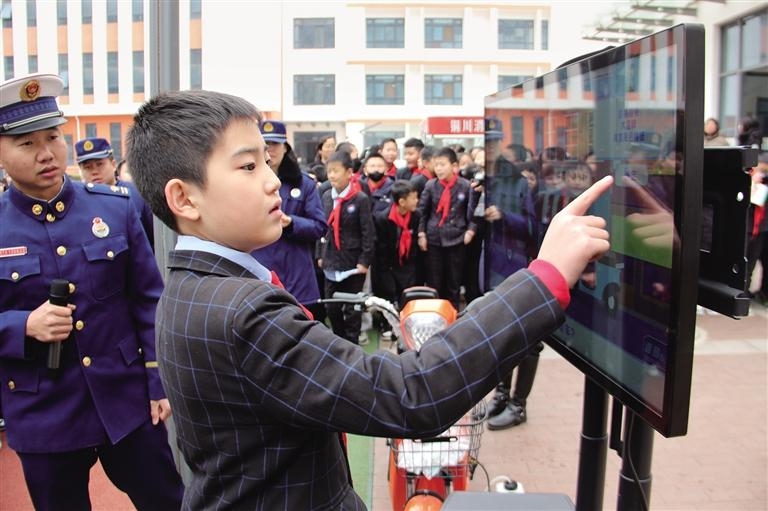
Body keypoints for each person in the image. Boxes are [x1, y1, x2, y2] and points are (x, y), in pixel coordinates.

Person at [125, 88, 612, 510]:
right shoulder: (243, 312)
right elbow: (411, 394)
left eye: (267, 163)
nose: (272, 180)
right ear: (184, 198)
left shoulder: (191, 287)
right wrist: (544, 277)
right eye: (248, 166)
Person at [0, 73, 183, 510]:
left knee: (168, 501)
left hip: (126, 400)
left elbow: (148, 300)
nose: (46, 153)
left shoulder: (113, 208)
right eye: (26, 143)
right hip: (42, 411)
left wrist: (157, 381)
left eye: (53, 137)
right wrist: (23, 325)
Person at [251, 121, 327, 320]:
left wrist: (291, 223)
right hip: (260, 270)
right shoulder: (246, 183)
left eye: (275, 144)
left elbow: (320, 226)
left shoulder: (304, 184)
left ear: (285, 147)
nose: (271, 150)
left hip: (296, 273)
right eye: (266, 145)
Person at [319, 150, 376, 344]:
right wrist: (320, 255)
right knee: (331, 306)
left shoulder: (360, 199)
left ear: (349, 172)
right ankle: (338, 341)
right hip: (330, 260)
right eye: (329, 171)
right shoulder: (326, 196)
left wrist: (365, 261)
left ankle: (352, 343)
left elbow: (368, 233)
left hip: (353, 262)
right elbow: (322, 228)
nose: (332, 175)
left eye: (336, 171)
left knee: (352, 309)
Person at [417, 147, 477, 310]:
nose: (439, 169)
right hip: (434, 238)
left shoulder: (465, 186)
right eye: (436, 165)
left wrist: (471, 230)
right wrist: (421, 234)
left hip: (457, 238)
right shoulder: (431, 185)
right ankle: (435, 313)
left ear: (454, 166)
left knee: (454, 281)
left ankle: (453, 314)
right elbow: (422, 212)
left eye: (442, 165)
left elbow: (473, 211)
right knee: (434, 281)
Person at [75, 137, 154, 248]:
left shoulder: (137, 194)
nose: (94, 172)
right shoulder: (77, 203)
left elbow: (153, 238)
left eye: (100, 164)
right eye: (87, 167)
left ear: (113, 164)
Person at [371, 179, 421, 308]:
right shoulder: (383, 219)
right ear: (402, 202)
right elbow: (381, 251)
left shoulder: (416, 216)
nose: (417, 201)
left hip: (408, 265)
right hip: (388, 266)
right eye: (413, 198)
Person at [358, 151, 394, 216]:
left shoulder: (393, 189)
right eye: (372, 166)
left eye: (380, 166)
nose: (376, 169)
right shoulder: (358, 188)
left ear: (386, 170)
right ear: (365, 171)